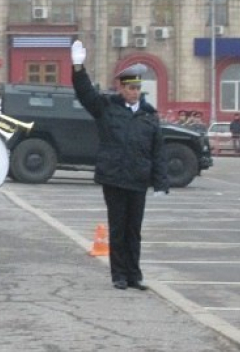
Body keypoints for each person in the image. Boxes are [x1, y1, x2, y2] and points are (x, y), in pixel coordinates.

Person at [71, 40, 169, 290]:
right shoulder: (107, 108)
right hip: (114, 177)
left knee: (134, 230)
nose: (134, 91)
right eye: (130, 87)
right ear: (121, 88)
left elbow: (157, 150)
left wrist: (160, 182)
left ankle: (134, 275)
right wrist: (78, 67)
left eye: (137, 87)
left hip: (138, 178)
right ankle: (119, 275)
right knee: (118, 228)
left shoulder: (149, 114)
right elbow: (85, 94)